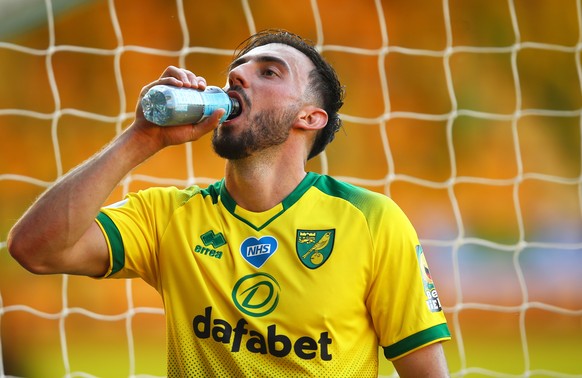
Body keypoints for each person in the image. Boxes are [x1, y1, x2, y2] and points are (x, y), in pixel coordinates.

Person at [8, 29, 451, 377]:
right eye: (237, 70)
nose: (238, 76)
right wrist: (139, 139)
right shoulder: (168, 215)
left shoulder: (372, 221)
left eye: (269, 72)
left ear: (309, 117)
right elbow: (34, 249)